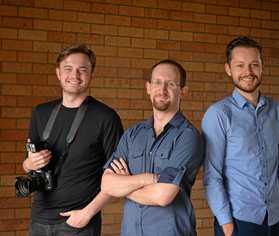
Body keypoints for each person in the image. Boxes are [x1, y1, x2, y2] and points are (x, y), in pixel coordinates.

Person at [63, 59, 204, 235]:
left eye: (171, 84)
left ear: (183, 92)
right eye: (157, 82)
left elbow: (163, 196)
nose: (162, 89)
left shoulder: (188, 136)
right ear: (148, 88)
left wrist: (125, 185)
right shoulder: (133, 134)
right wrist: (148, 178)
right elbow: (107, 184)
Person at [22, 44, 123, 236]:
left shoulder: (106, 117)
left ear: (92, 74)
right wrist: (29, 163)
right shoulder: (40, 113)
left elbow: (118, 177)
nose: (74, 75)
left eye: (82, 70)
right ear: (58, 74)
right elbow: (27, 166)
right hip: (39, 220)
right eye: (68, 69)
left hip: (79, 223)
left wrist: (87, 213)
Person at [202, 36, 279, 236]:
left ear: (262, 67)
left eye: (254, 64)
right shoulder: (218, 114)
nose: (248, 72)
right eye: (240, 65)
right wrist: (226, 224)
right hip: (239, 222)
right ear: (228, 69)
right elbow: (212, 176)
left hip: (278, 218)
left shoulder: (276, 110)